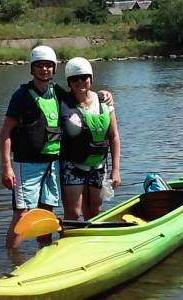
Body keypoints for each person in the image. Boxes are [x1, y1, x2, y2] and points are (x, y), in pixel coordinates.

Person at [0, 46, 114, 249]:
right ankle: (12, 261)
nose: (44, 69)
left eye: (48, 66)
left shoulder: (58, 93)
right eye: (39, 65)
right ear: (32, 69)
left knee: (47, 212)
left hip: (52, 164)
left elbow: (83, 95)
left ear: (54, 69)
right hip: (27, 164)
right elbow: (6, 132)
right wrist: (7, 167)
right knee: (22, 213)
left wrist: (105, 93)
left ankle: (46, 253)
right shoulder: (21, 96)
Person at [58, 57, 121, 221]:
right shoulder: (63, 102)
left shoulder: (104, 101)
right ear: (69, 82)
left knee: (95, 210)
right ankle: (67, 242)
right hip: (73, 165)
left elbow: (114, 137)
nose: (80, 82)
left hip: (98, 165)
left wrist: (116, 170)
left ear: (91, 78)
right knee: (73, 212)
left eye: (84, 77)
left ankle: (92, 241)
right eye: (74, 79)